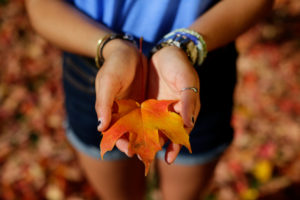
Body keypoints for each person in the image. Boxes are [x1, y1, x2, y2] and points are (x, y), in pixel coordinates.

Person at [25, 0, 274, 199]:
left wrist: (183, 45)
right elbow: (40, 6)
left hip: (195, 70)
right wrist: (112, 48)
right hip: (99, 72)